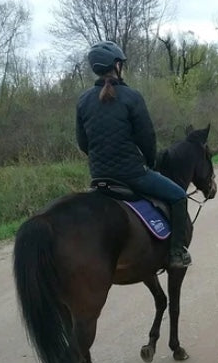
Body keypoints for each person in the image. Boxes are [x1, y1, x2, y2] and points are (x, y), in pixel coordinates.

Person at [76, 40, 192, 269]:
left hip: (99, 177)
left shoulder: (83, 101)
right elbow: (147, 140)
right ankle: (177, 253)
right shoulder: (132, 97)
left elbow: (82, 143)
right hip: (131, 175)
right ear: (117, 65)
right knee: (179, 196)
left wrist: (101, 161)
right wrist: (148, 165)